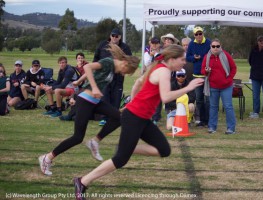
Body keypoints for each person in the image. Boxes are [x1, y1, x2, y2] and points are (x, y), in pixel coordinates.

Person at [73, 45, 204, 200]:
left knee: (164, 150)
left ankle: (129, 147)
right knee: (120, 159)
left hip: (142, 118)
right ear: (172, 59)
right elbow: (166, 97)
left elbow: (138, 83)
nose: (184, 62)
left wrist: (133, 100)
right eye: (182, 59)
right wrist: (188, 87)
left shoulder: (158, 68)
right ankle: (82, 181)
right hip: (134, 117)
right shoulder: (163, 71)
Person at [38, 44, 140, 176]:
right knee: (78, 137)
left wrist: (79, 81)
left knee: (119, 117)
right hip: (85, 101)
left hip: (95, 102)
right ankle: (47, 158)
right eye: (126, 70)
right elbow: (87, 67)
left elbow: (91, 74)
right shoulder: (108, 62)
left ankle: (94, 141)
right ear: (125, 63)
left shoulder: (114, 68)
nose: (124, 73)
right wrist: (95, 88)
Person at [93, 28, 132, 126]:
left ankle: (114, 118)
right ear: (110, 36)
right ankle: (104, 118)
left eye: (117, 36)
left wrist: (125, 70)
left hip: (118, 77)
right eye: (113, 35)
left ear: (120, 37)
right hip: (104, 76)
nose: (115, 38)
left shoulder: (125, 47)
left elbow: (130, 60)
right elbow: (96, 58)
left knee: (116, 98)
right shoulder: (103, 45)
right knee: (105, 97)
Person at [201, 38, 237, 134]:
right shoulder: (206, 57)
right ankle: (212, 127)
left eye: (217, 46)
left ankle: (231, 128)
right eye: (213, 46)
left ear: (220, 46)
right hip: (213, 87)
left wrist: (228, 79)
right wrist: (206, 71)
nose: (215, 48)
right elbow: (202, 71)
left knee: (228, 106)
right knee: (213, 107)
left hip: (226, 87)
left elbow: (233, 68)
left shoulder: (226, 55)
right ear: (210, 47)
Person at [186, 26, 211, 127]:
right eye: (196, 34)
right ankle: (201, 120)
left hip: (207, 75)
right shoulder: (191, 43)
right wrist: (194, 58)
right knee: (199, 99)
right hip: (197, 75)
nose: (199, 36)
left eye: (200, 33)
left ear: (203, 34)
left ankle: (208, 120)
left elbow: (213, 54)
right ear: (194, 35)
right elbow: (188, 57)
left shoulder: (209, 42)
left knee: (208, 99)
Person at [59, 52, 88, 121]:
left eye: (81, 58)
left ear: (84, 59)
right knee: (74, 94)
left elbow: (85, 76)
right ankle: (74, 114)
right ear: (76, 59)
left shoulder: (86, 65)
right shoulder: (75, 68)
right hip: (78, 86)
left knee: (77, 95)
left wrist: (81, 67)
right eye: (78, 58)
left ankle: (71, 115)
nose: (80, 59)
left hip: (86, 86)